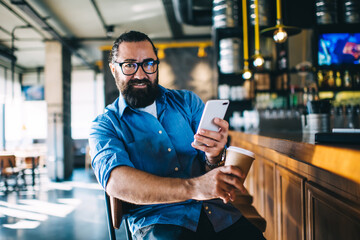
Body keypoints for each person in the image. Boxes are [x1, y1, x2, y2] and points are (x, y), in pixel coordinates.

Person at [89, 30, 265, 240]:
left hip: (218, 214)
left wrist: (214, 156)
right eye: (129, 65)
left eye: (149, 64)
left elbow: (212, 166)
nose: (140, 74)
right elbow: (117, 183)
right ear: (113, 69)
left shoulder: (188, 103)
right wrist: (195, 187)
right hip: (158, 222)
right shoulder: (105, 125)